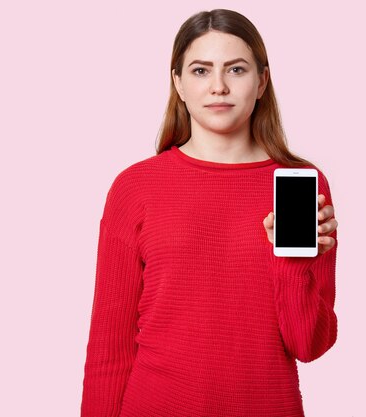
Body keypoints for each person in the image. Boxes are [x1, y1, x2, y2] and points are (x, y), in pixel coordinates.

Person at [81, 9, 339, 417]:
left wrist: (290, 259)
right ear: (178, 84)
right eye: (201, 71)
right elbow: (108, 350)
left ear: (262, 82)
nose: (218, 87)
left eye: (236, 69)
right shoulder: (135, 188)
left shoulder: (301, 185)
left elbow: (309, 345)